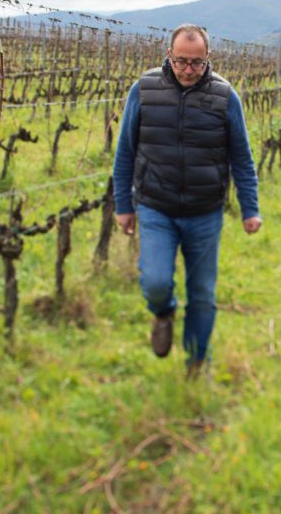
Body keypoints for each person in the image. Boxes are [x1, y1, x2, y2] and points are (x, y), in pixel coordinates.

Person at [113, 24, 262, 377]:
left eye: (196, 63)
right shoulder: (144, 90)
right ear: (169, 56)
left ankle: (197, 362)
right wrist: (123, 205)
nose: (189, 70)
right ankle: (163, 312)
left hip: (204, 212)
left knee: (203, 294)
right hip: (155, 207)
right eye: (181, 62)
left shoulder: (225, 97)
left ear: (207, 58)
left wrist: (250, 208)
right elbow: (125, 152)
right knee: (155, 282)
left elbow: (241, 157)